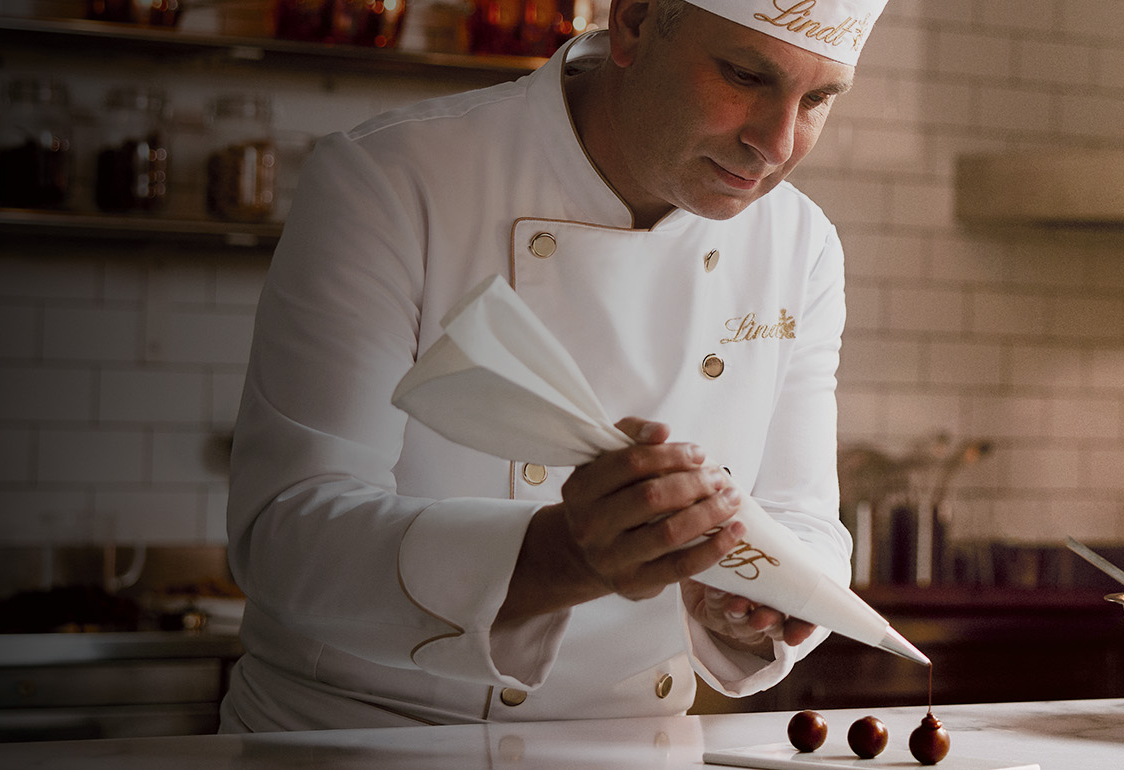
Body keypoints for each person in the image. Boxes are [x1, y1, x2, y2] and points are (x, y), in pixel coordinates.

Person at [219, 0, 889, 731]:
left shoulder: (800, 243)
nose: (776, 144)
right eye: (744, 76)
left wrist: (760, 603)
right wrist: (560, 557)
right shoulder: (391, 179)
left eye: (818, 99)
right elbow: (288, 536)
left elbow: (803, 520)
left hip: (628, 745)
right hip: (356, 740)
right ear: (634, 23)